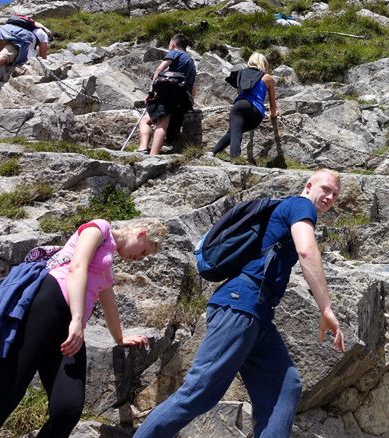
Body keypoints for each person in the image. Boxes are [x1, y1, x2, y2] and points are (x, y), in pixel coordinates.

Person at [134, 169, 346, 438]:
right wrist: (325, 307)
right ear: (308, 185)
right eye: (325, 189)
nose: (329, 197)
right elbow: (306, 249)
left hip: (257, 313)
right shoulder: (301, 205)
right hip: (240, 305)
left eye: (335, 195)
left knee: (284, 386)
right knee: (198, 393)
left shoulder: (289, 208)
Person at [0, 219, 168, 438]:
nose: (139, 258)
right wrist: (77, 319)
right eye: (144, 251)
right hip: (46, 308)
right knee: (6, 394)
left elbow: (109, 303)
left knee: (68, 408)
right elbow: (76, 266)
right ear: (142, 233)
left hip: (70, 328)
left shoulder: (107, 266)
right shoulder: (99, 228)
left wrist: (120, 338)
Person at [137, 33, 197, 156]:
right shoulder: (191, 62)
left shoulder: (175, 53)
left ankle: (150, 154)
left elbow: (159, 70)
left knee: (160, 122)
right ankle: (144, 149)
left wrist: (151, 91)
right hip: (183, 99)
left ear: (173, 44)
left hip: (168, 95)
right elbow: (193, 89)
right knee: (147, 120)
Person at [211, 52, 278, 159]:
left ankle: (235, 157)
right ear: (264, 64)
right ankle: (213, 152)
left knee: (235, 130)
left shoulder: (242, 74)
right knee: (233, 131)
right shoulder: (267, 77)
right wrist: (273, 115)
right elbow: (272, 104)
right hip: (257, 114)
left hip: (241, 106)